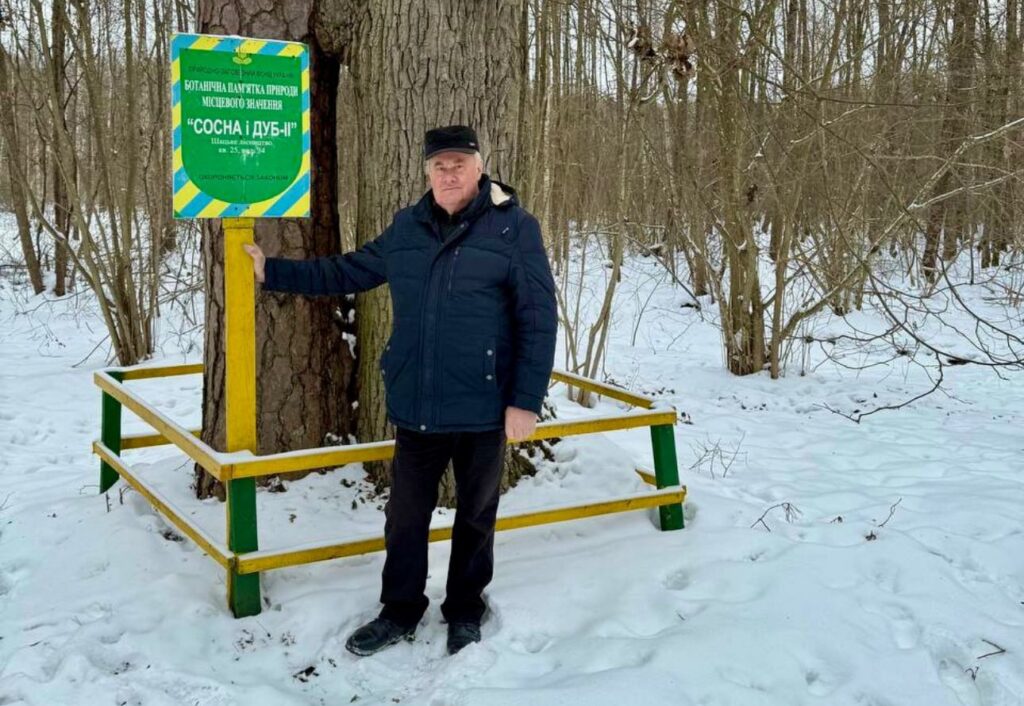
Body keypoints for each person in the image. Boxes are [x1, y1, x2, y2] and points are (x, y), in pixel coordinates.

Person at [243, 125, 557, 656]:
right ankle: (400, 610)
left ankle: (464, 609)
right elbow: (350, 269)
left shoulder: (514, 230)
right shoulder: (407, 228)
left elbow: (538, 318)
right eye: (440, 165)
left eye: (459, 163)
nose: (449, 173)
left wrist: (524, 401)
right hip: (418, 405)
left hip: (484, 407)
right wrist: (272, 271)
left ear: (480, 168)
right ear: (427, 172)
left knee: (476, 518)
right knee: (405, 518)